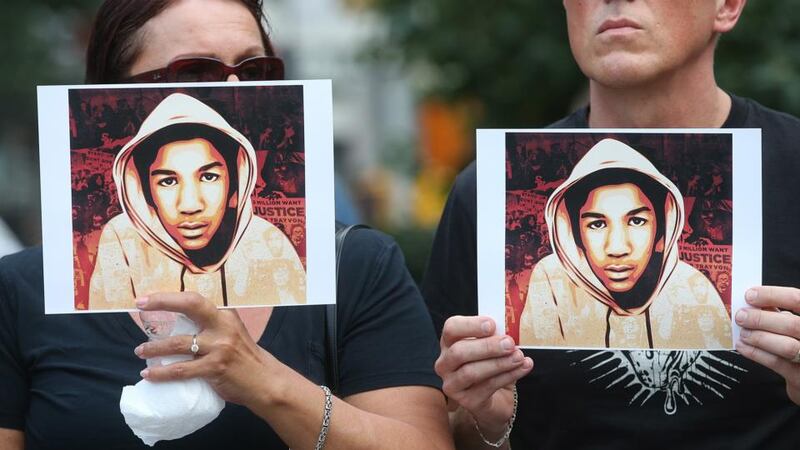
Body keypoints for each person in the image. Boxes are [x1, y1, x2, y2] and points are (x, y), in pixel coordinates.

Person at [0, 1, 452, 449]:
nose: (237, 90)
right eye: (196, 72)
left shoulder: (355, 267)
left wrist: (265, 382)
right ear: (109, 92)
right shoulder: (21, 292)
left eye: (256, 70)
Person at [425, 1, 799, 449]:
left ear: (727, 6)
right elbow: (442, 431)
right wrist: (488, 418)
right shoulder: (483, 197)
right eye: (596, 223)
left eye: (638, 220)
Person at [89, 92, 306, 309]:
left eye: (209, 177)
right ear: (145, 191)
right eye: (168, 181)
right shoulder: (122, 238)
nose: (190, 205)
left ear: (234, 182)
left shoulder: (267, 241)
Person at [519, 138, 730, 349]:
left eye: (637, 221)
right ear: (574, 234)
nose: (617, 248)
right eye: (597, 224)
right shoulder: (552, 278)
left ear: (662, 232)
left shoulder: (693, 287)